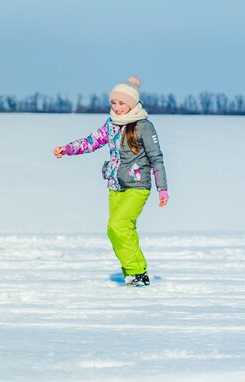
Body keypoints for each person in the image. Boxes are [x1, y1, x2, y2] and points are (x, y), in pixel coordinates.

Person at [53, 76, 169, 287]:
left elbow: (156, 158)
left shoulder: (144, 126)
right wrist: (67, 149)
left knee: (118, 225)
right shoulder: (111, 125)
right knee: (121, 230)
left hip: (137, 186)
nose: (116, 107)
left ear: (132, 103)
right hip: (115, 186)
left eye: (121, 103)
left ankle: (137, 271)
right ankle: (133, 274)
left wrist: (162, 188)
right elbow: (90, 142)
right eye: (113, 103)